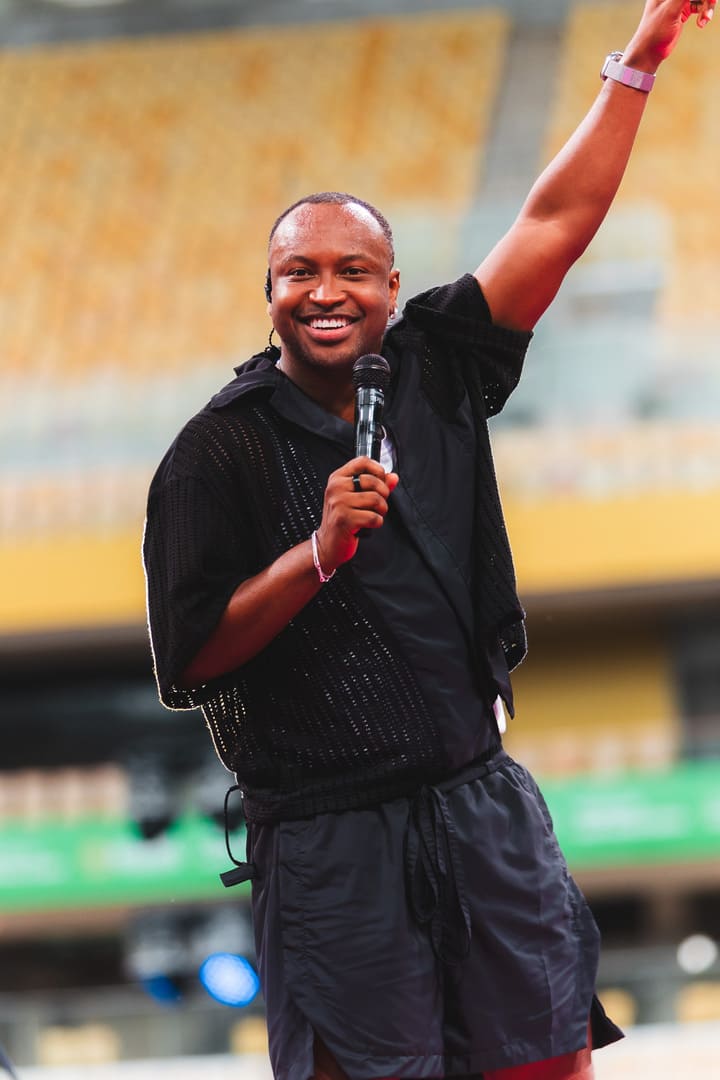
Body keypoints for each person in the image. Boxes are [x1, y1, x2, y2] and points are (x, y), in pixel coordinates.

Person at [142, 3, 715, 1078]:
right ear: (269, 294)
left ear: (392, 287)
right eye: (299, 272)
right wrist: (315, 556)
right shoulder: (213, 454)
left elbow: (555, 221)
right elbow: (190, 659)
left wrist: (636, 61)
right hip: (329, 839)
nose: (326, 291)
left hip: (478, 799)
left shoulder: (436, 365)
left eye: (353, 269)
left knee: (551, 1062)